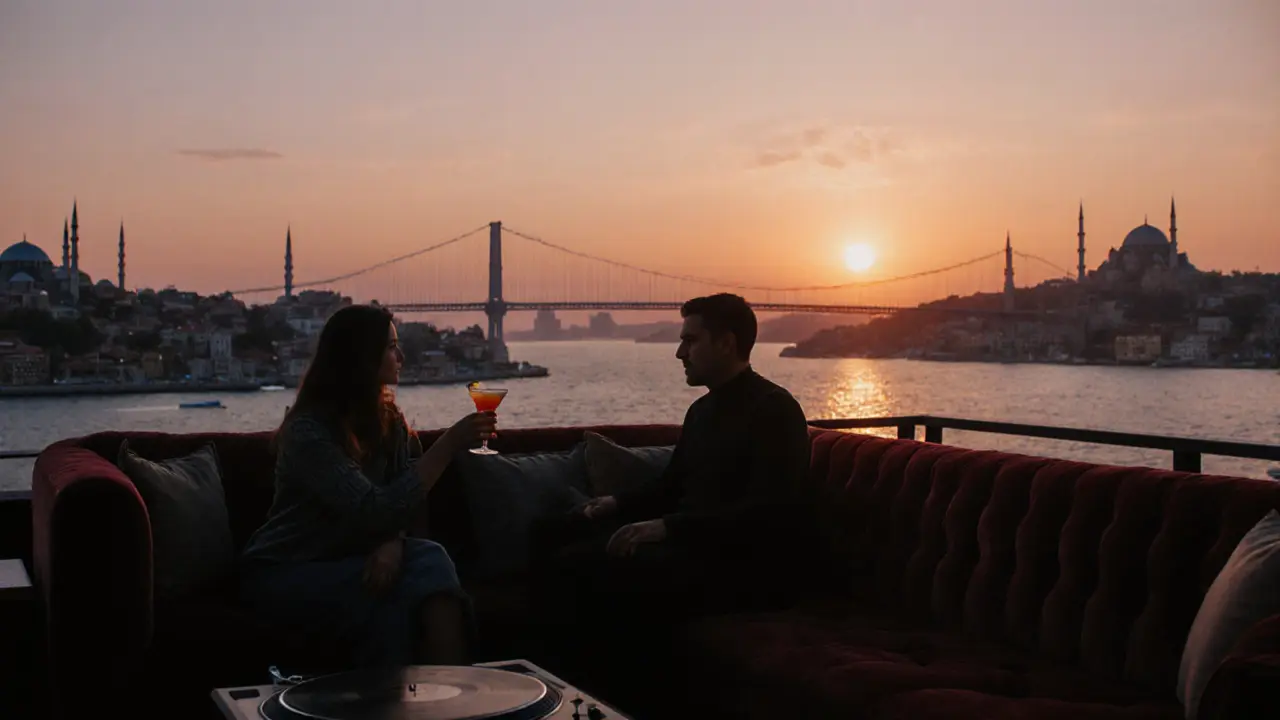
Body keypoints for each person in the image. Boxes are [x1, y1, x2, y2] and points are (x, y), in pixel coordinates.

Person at [529, 293, 813, 643]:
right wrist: (615, 504)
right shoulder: (702, 411)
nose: (680, 353)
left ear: (726, 344)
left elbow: (768, 512)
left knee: (583, 568)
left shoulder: (775, 410)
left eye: (690, 341)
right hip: (692, 547)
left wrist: (666, 528)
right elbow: (671, 486)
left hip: (742, 567)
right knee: (552, 530)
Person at [240, 304, 496, 667]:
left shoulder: (390, 422)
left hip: (354, 559)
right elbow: (374, 509)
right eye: (391, 346)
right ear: (361, 356)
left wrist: (394, 543)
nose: (401, 355)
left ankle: (455, 693)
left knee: (428, 561)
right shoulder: (307, 433)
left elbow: (404, 498)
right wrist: (450, 443)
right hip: (289, 568)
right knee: (397, 591)